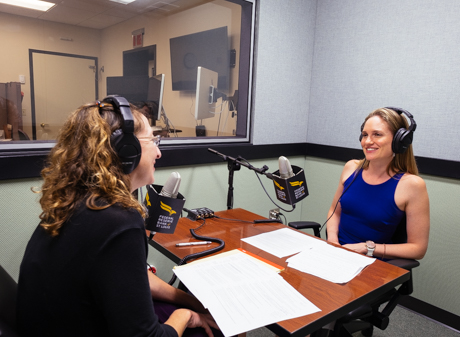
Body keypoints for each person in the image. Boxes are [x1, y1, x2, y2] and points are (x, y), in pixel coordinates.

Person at [16, 98, 221, 337]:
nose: (159, 152)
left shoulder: (77, 199)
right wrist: (188, 315)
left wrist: (191, 301)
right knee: (216, 330)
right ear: (125, 150)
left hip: (57, 324)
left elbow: (131, 276)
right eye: (152, 141)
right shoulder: (118, 220)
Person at [326, 107, 429, 260]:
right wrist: (333, 242)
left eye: (377, 135)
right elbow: (334, 213)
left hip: (371, 263)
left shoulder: (412, 185)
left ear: (399, 141)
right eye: (364, 135)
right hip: (336, 253)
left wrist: (366, 247)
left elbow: (418, 249)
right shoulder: (351, 168)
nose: (367, 141)